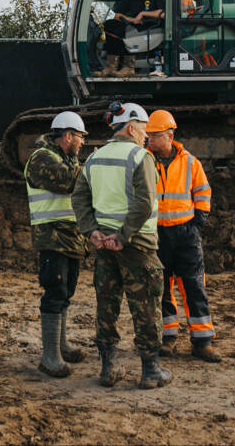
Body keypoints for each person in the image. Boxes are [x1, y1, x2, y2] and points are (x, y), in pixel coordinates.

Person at [71, 102, 172, 389]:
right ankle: (150, 371)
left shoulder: (94, 158)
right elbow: (143, 203)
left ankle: (108, 368)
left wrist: (91, 231)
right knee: (146, 308)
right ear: (130, 127)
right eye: (143, 130)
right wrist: (124, 235)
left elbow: (79, 198)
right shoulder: (141, 157)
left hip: (103, 246)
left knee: (107, 304)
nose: (146, 136)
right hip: (137, 246)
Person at [145, 109, 220, 363]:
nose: (150, 141)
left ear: (170, 135)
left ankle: (202, 341)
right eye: (148, 136)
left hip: (185, 233)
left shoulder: (190, 162)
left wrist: (198, 221)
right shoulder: (147, 161)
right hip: (158, 234)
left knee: (193, 286)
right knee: (162, 287)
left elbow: (203, 191)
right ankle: (168, 338)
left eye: (154, 136)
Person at [24, 110, 88, 378]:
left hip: (69, 236)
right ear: (68, 135)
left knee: (66, 291)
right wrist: (93, 168)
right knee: (55, 291)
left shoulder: (65, 158)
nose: (83, 143)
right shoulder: (42, 158)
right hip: (52, 237)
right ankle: (49, 357)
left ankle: (60, 346)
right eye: (81, 138)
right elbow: (69, 182)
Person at [99, 0, 165, 78]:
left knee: (123, 32)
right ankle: (111, 66)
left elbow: (162, 13)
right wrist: (133, 20)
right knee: (109, 25)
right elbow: (117, 14)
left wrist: (143, 14)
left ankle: (128, 67)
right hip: (135, 25)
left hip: (151, 25)